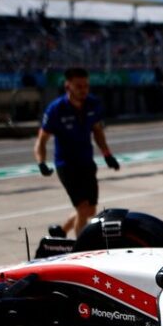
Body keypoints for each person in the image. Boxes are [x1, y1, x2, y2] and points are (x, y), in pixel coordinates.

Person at [34, 67, 121, 238]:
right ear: (68, 87)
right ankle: (81, 248)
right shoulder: (55, 109)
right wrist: (41, 163)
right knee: (82, 208)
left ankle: (60, 233)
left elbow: (97, 131)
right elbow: (41, 141)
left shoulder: (93, 104)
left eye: (86, 86)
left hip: (86, 162)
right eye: (79, 86)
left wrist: (107, 155)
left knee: (90, 210)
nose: (84, 90)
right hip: (66, 165)